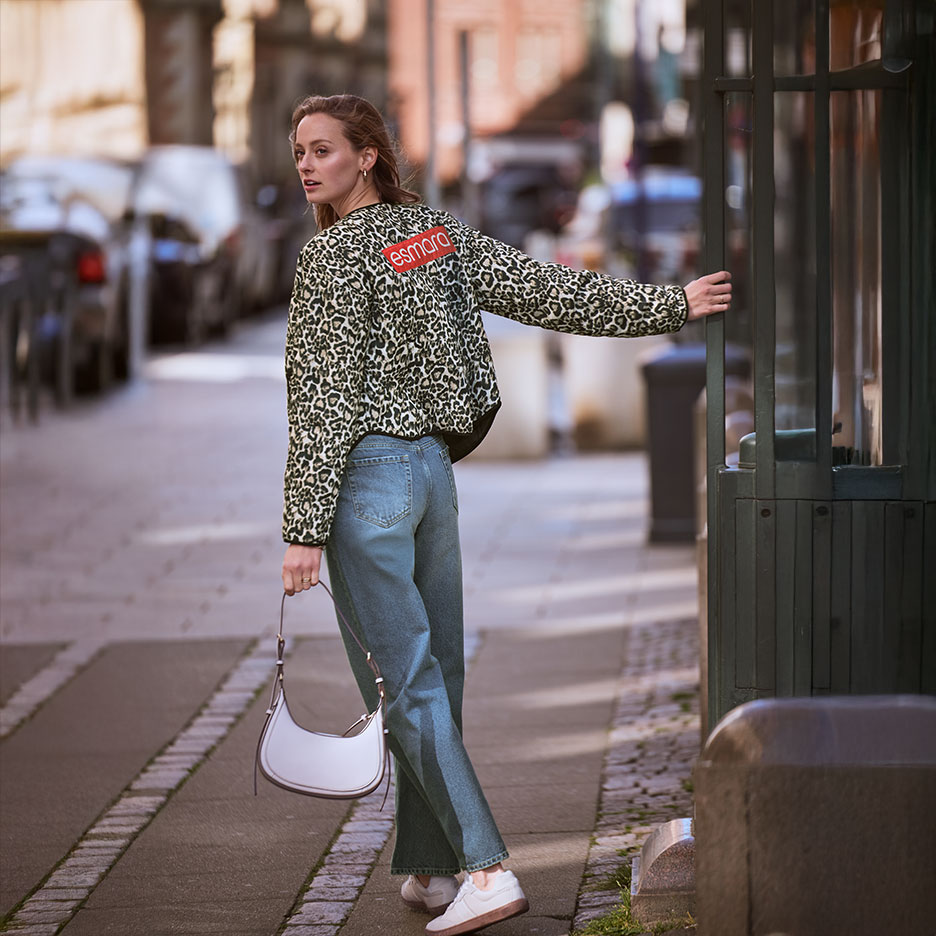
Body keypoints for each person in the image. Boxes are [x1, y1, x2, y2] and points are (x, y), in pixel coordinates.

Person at [280, 93, 731, 936]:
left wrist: (304, 524)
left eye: (323, 150)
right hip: (429, 480)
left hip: (365, 489)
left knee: (404, 683)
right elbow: (547, 292)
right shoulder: (437, 238)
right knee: (434, 676)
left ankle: (487, 869)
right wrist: (671, 305)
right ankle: (431, 863)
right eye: (300, 151)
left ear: (367, 156)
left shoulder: (332, 259)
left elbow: (324, 396)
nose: (307, 165)